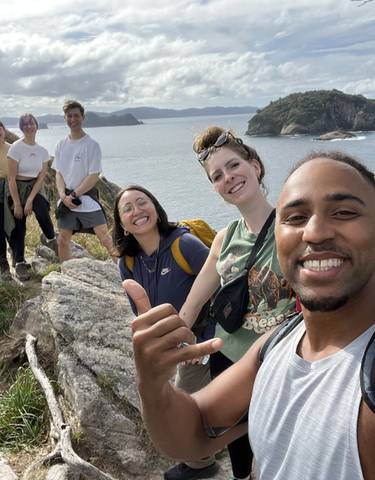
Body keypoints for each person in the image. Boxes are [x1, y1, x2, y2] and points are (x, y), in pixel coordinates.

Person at [124, 151, 375, 480]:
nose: (314, 232)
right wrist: (154, 385)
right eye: (295, 218)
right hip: (234, 355)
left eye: (343, 212)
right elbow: (194, 431)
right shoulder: (281, 343)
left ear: (256, 167)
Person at [176, 127, 294, 480]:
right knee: (241, 460)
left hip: (280, 364)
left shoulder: (292, 227)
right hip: (228, 365)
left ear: (255, 165)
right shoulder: (225, 238)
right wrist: (182, 345)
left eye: (233, 165)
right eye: (217, 176)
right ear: (215, 188)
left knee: (282, 454)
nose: (228, 178)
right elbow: (193, 304)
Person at [113, 185, 219, 479]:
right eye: (128, 209)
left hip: (206, 340)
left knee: (186, 404)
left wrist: (204, 339)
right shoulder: (128, 262)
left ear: (155, 208)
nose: (137, 211)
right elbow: (140, 312)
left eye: (142, 202)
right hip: (172, 345)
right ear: (122, 224)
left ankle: (201, 465)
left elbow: (224, 287)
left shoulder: (184, 245)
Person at [52, 99, 113, 262]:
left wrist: (74, 194)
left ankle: (127, 275)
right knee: (63, 239)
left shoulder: (92, 145)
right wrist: (63, 195)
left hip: (86, 197)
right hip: (66, 200)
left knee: (105, 239)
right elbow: (58, 173)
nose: (73, 119)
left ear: (83, 117)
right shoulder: (60, 145)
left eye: (76, 116)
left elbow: (94, 175)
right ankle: (67, 273)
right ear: (65, 118)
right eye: (69, 116)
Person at [5, 113, 57, 281]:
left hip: (34, 186)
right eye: (25, 124)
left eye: (31, 123)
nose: (29, 126)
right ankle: (19, 262)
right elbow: (11, 178)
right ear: (21, 127)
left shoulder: (42, 151)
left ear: (36, 126)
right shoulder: (16, 148)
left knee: (42, 209)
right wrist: (18, 204)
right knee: (18, 224)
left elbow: (41, 177)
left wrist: (29, 201)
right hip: (16, 187)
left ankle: (51, 239)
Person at [0, 121, 11, 280]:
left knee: (12, 223)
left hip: (11, 189)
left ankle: (17, 255)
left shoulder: (12, 148)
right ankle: (3, 263)